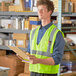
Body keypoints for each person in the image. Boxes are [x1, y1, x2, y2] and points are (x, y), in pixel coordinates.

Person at [27, 0, 65, 76]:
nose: (39, 12)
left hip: (48, 73)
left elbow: (56, 59)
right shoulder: (33, 32)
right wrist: (24, 56)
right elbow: (29, 52)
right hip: (33, 72)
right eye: (38, 10)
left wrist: (38, 60)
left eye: (42, 10)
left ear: (50, 12)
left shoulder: (57, 34)